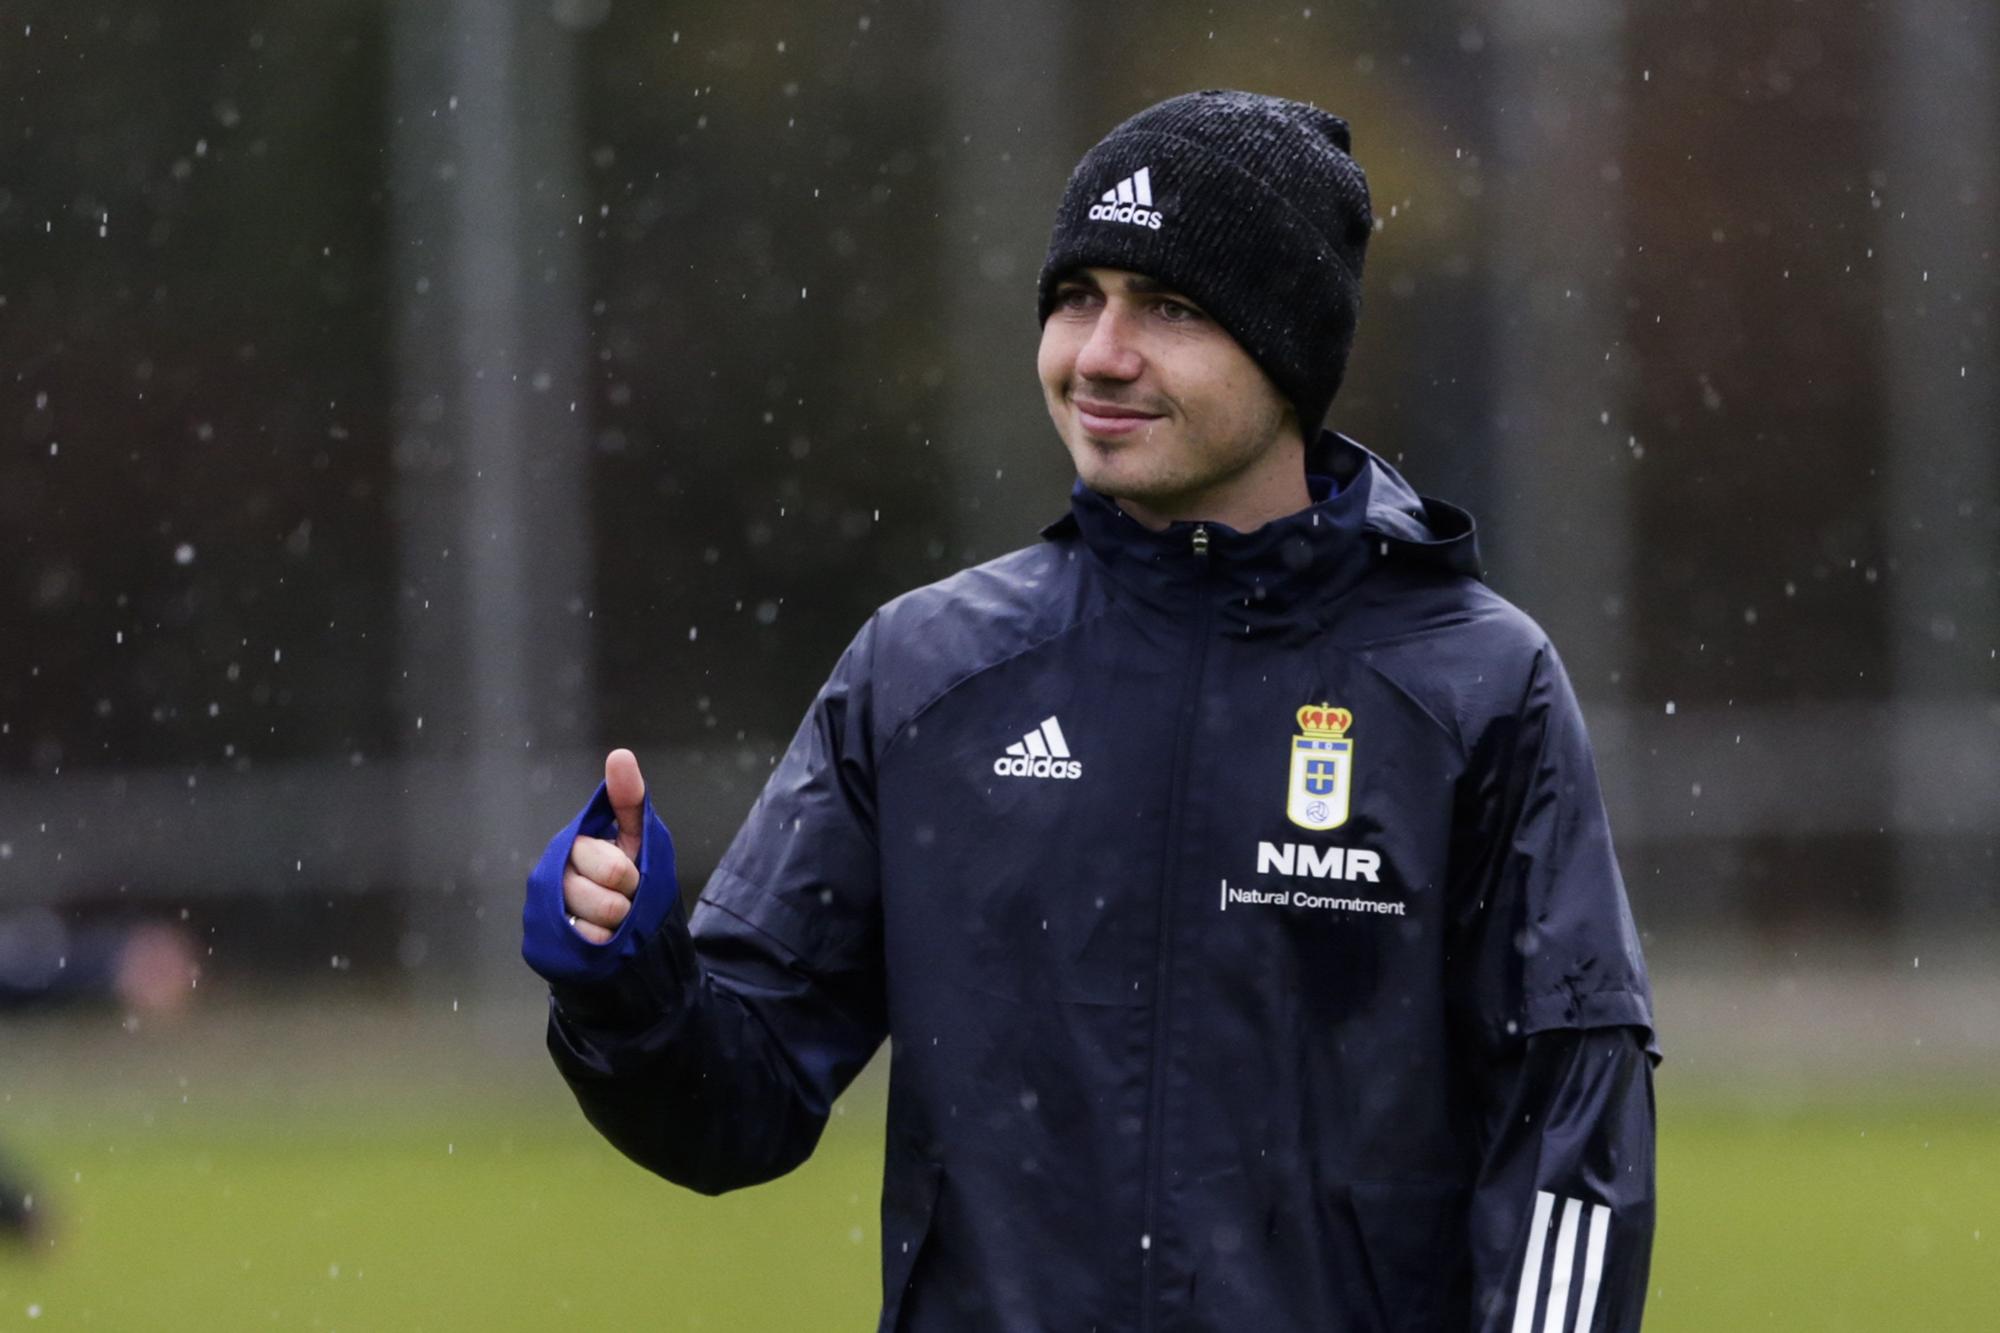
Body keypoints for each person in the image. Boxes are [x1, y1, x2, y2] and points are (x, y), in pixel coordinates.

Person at [523, 89, 1657, 1332]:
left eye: (1168, 307)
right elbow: (735, 1110)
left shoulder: (1471, 686)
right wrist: (630, 985)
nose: (1099, 354)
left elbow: (1569, 1132)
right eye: (1078, 297)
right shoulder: (925, 672)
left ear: (1286, 349)